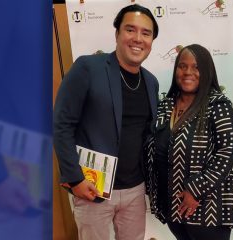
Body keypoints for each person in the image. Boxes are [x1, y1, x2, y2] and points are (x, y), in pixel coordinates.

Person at [53, 4, 159, 240]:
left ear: (152, 40)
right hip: (92, 189)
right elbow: (62, 124)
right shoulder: (88, 68)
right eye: (130, 30)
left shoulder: (151, 82)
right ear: (117, 34)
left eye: (146, 33)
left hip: (135, 189)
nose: (138, 39)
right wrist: (75, 178)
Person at [146, 44, 233, 240]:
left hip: (207, 209)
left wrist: (195, 190)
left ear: (207, 71)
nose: (188, 72)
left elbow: (230, 154)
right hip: (173, 207)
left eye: (196, 67)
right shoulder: (165, 106)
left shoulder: (220, 106)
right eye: (182, 66)